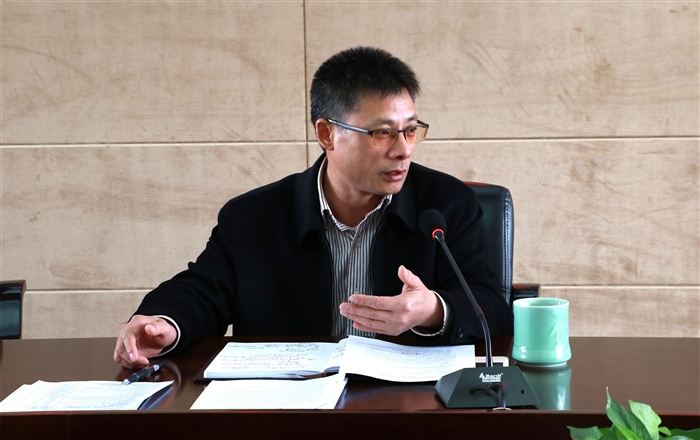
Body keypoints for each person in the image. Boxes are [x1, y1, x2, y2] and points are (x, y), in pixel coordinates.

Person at [114, 46, 513, 369]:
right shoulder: (253, 216)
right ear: (327, 134)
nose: (403, 149)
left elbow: (493, 306)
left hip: (408, 408)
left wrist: (433, 310)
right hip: (293, 407)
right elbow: (203, 290)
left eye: (410, 130)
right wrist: (163, 323)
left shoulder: (445, 204)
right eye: (382, 133)